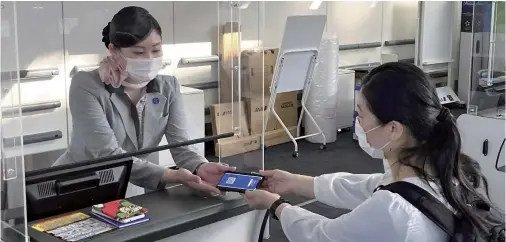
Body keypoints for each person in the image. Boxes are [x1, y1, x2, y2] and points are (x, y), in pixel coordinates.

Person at [243, 62, 503, 242]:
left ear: (393, 129)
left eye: (361, 114)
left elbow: (323, 235)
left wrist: (276, 206)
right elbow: (370, 187)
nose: (358, 122)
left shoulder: (394, 209)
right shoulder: (450, 171)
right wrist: (295, 182)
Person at [54, 6, 234, 194]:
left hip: (129, 184)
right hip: (73, 187)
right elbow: (106, 154)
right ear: (114, 50)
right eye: (138, 53)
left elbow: (181, 146)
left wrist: (200, 167)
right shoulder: (86, 85)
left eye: (156, 50)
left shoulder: (168, 87)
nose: (149, 59)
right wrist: (169, 175)